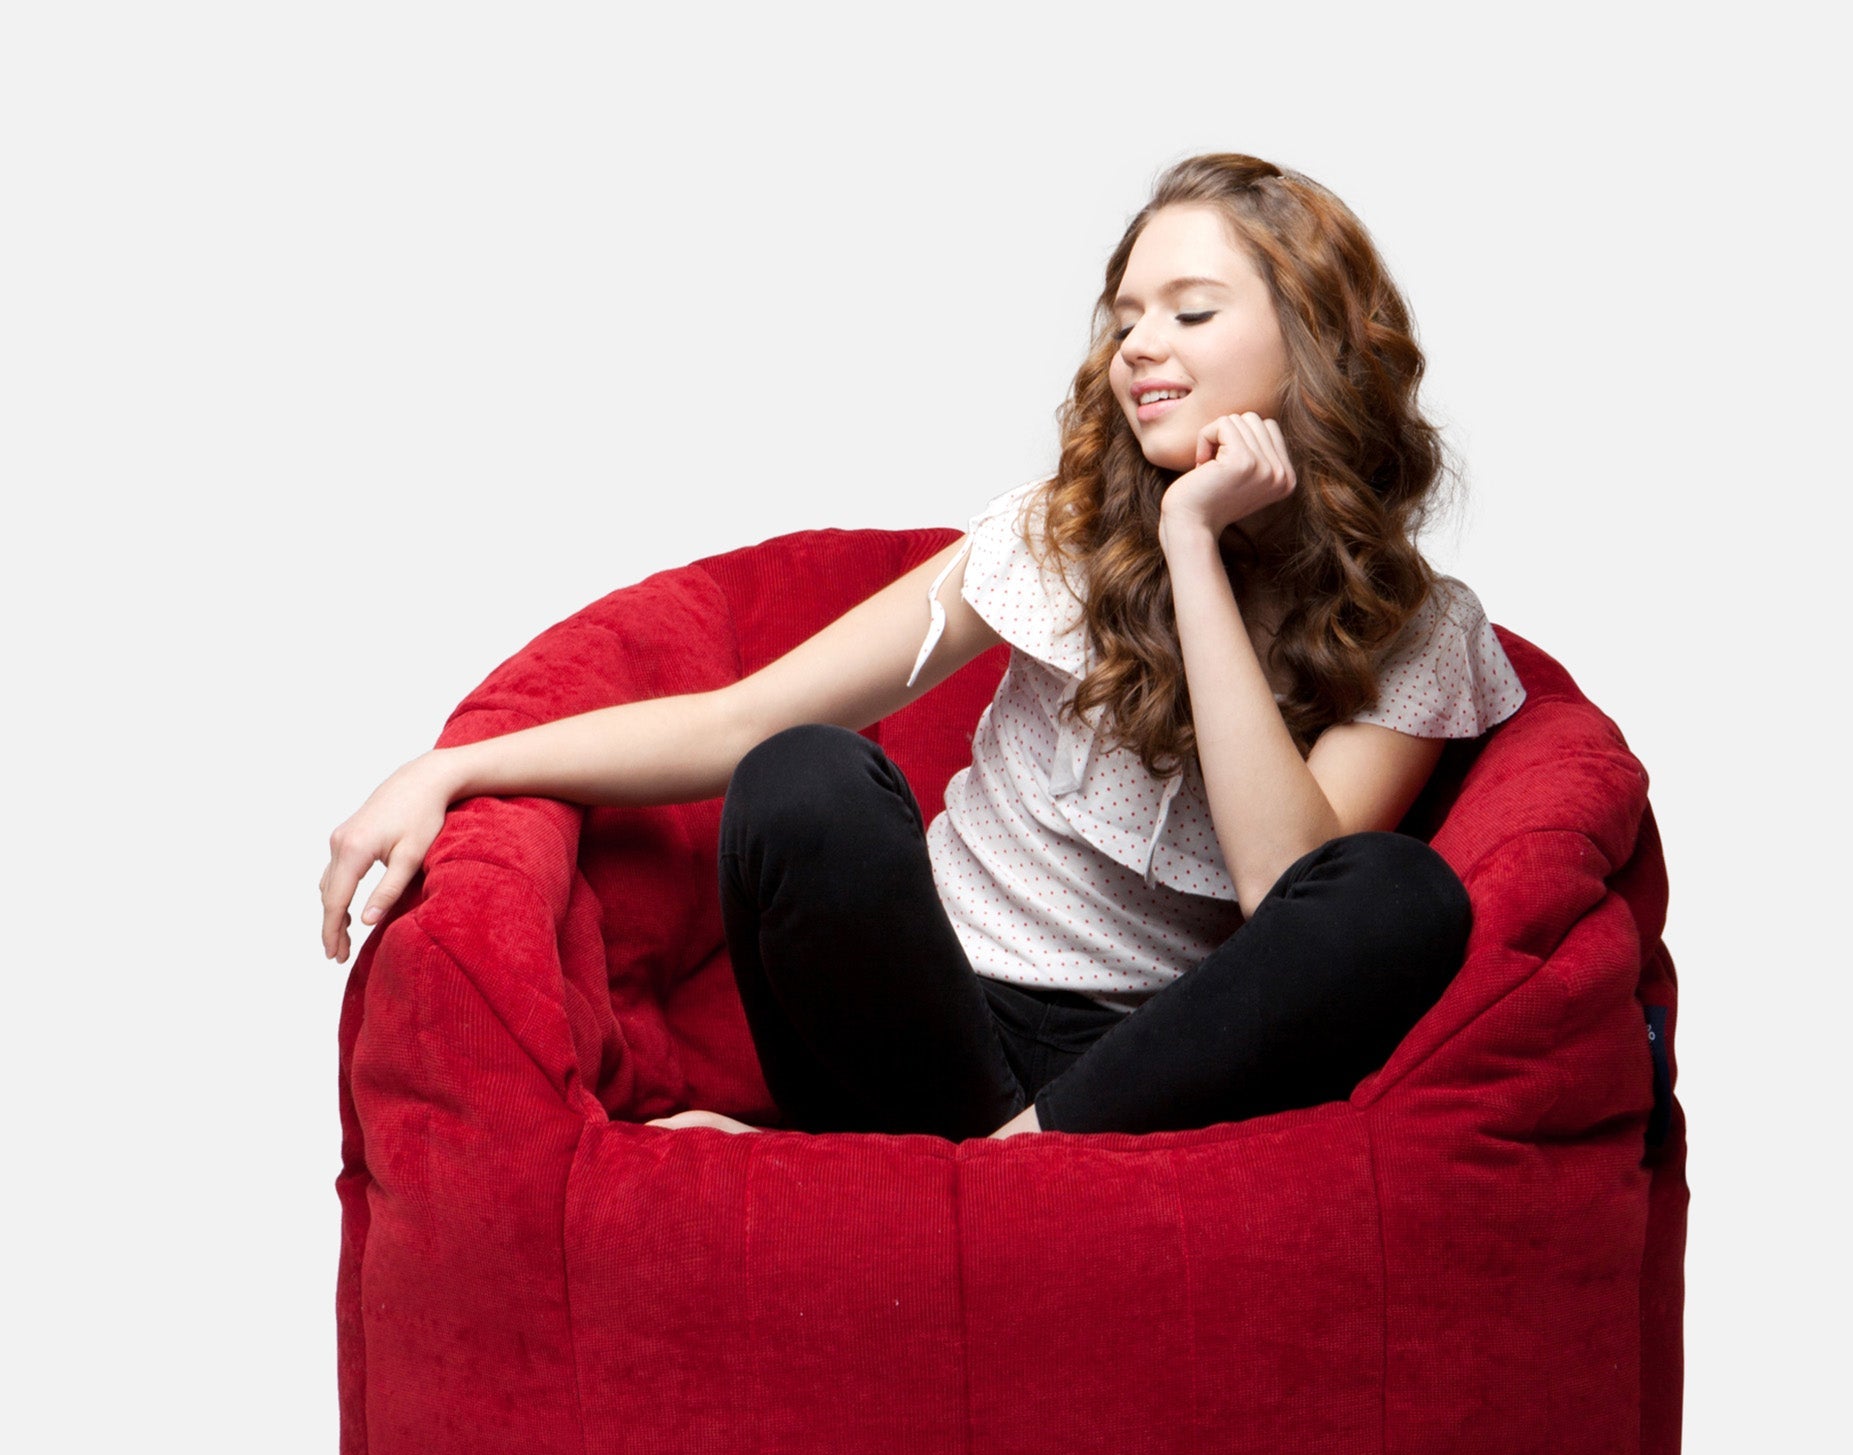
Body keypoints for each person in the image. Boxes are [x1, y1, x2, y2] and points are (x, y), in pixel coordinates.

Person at [319, 151, 1525, 1142]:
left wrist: (1194, 546)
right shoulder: (1054, 537)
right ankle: (990, 1174)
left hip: (1150, 1076)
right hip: (922, 1025)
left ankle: (978, 1171)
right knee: (801, 773)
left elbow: (1286, 888)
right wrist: (457, 767)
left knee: (1397, 895)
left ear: (1313, 340)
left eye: (1189, 312)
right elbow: (742, 719)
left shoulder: (1419, 629)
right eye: (1123, 319)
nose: (1136, 347)